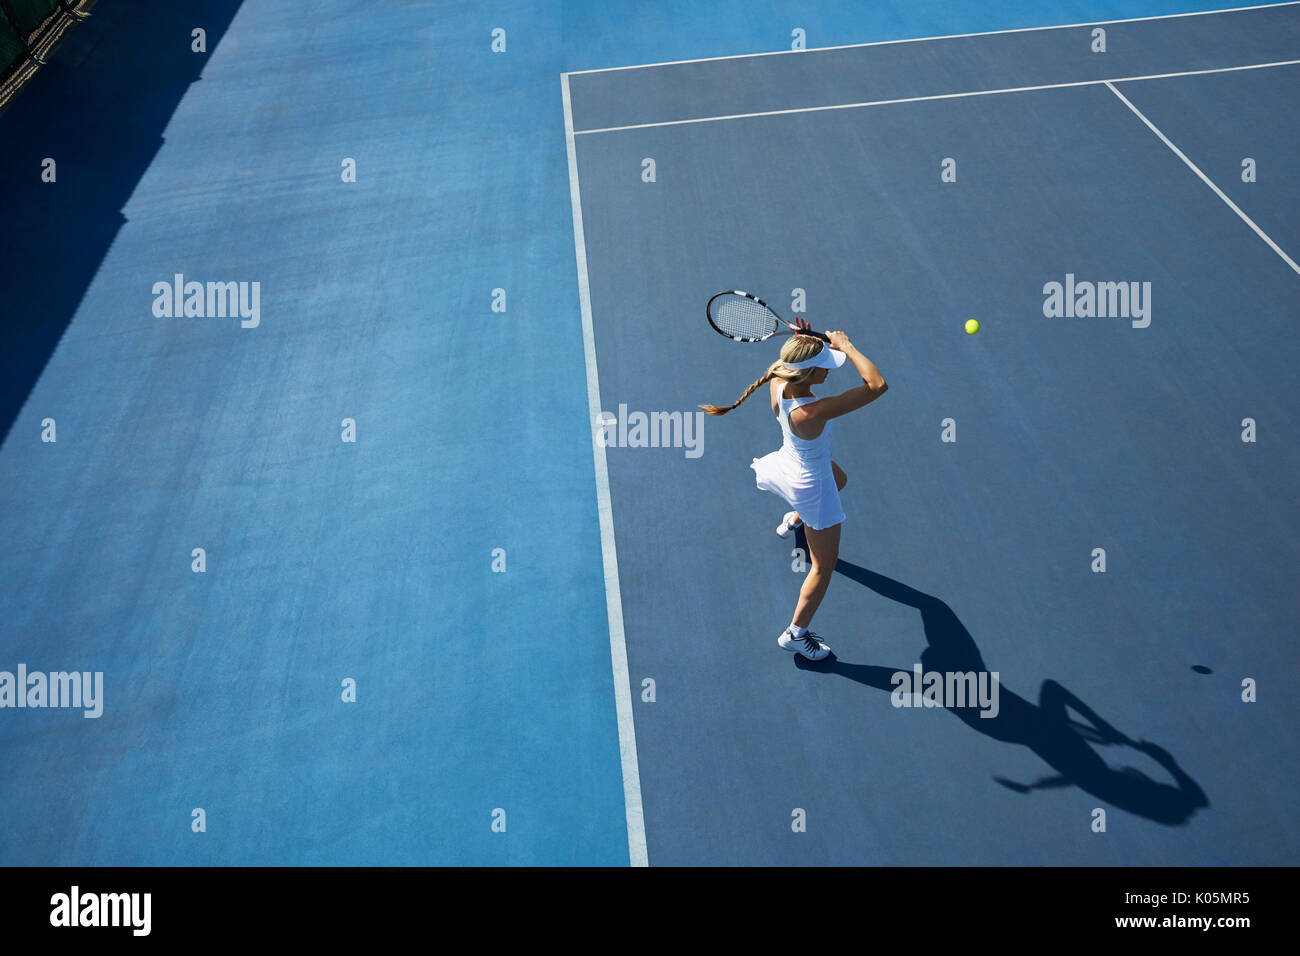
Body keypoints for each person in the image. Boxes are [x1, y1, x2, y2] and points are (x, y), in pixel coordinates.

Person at [700, 321, 888, 660]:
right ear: (810, 372)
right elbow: (876, 385)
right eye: (825, 367)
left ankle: (795, 520)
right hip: (811, 483)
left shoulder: (778, 381)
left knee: (840, 480)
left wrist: (804, 336)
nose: (831, 372)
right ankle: (795, 635)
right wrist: (846, 347)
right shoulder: (813, 410)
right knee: (822, 567)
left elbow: (795, 359)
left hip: (793, 461)